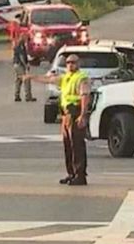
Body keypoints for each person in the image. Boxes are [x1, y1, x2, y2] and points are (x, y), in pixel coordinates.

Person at [26, 54, 90, 186]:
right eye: (68, 63)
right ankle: (71, 173)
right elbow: (48, 79)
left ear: (78, 64)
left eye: (73, 62)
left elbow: (85, 96)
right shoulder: (66, 78)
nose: (70, 65)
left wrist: (83, 115)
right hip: (66, 114)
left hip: (75, 112)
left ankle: (80, 175)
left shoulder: (81, 78)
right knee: (68, 145)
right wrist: (31, 77)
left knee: (77, 145)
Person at [12, 33, 35, 102]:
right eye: (26, 38)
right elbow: (21, 57)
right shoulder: (20, 45)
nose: (27, 39)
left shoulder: (20, 45)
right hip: (19, 65)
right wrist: (26, 65)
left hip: (16, 65)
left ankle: (17, 96)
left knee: (18, 80)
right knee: (26, 79)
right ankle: (28, 96)